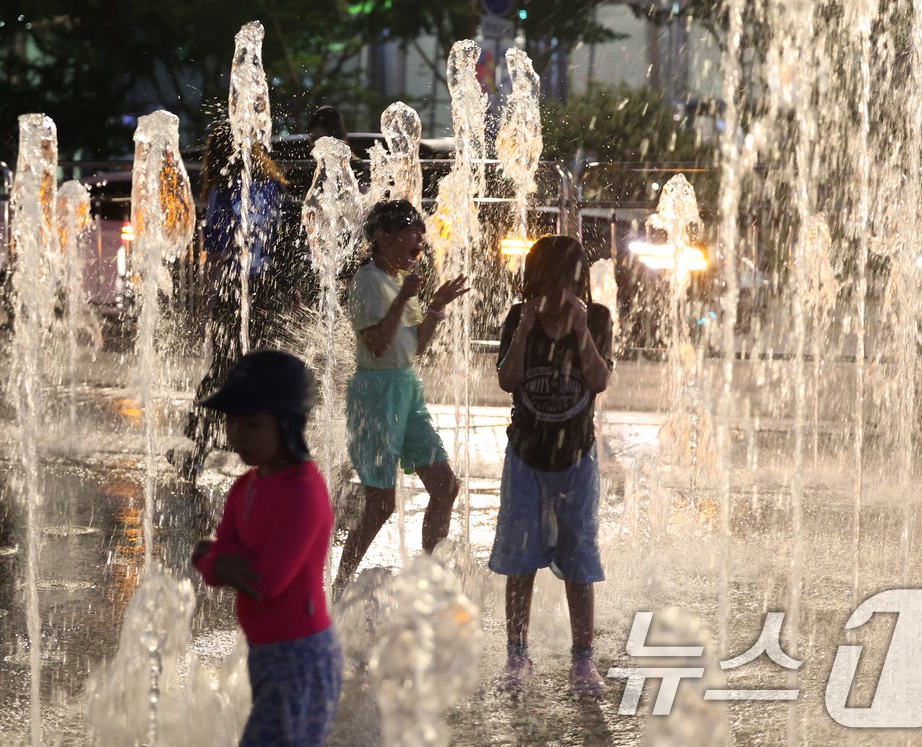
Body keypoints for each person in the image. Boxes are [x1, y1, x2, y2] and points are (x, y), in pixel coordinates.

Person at [192, 350, 342, 746]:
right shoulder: (246, 488)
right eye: (231, 421)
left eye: (252, 423)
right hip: (266, 652)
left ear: (287, 423)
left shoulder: (304, 494)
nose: (236, 434)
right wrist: (217, 561)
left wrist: (215, 559)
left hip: (302, 657)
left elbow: (265, 582)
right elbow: (218, 555)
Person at [490, 235, 613, 695]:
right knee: (520, 560)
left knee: (579, 560)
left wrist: (581, 332)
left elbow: (599, 381)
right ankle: (517, 655)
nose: (561, 291)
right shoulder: (519, 318)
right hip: (525, 459)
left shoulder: (596, 318)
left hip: (575, 460)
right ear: (537, 280)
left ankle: (583, 661)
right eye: (551, 279)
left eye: (569, 280)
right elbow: (507, 380)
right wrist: (523, 331)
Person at [332, 199, 469, 595]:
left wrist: (436, 308)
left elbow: (414, 348)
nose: (420, 237)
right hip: (375, 398)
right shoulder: (367, 281)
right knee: (380, 502)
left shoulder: (398, 283)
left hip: (406, 392)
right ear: (381, 237)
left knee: (445, 486)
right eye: (411, 229)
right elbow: (375, 343)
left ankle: (429, 578)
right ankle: (340, 584)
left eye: (419, 229)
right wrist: (403, 298)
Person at [175, 119, 292, 481]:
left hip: (234, 288)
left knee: (224, 368)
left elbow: (217, 248)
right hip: (267, 290)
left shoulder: (223, 191)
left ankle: (198, 450)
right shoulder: (272, 186)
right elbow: (280, 239)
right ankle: (276, 453)